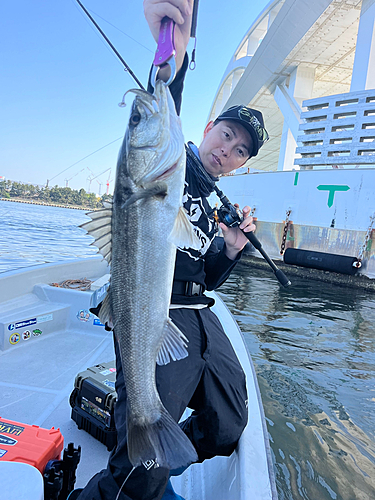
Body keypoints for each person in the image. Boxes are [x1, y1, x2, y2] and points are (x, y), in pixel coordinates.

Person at [70, 1, 269, 499]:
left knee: (230, 422)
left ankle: (163, 461)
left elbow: (210, 279)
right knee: (139, 460)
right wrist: (171, 53)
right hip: (155, 310)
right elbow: (161, 105)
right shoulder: (170, 162)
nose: (228, 149)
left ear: (243, 163)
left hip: (201, 312)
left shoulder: (217, 202)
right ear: (206, 128)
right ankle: (120, 483)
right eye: (226, 134)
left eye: (240, 149)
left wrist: (230, 248)